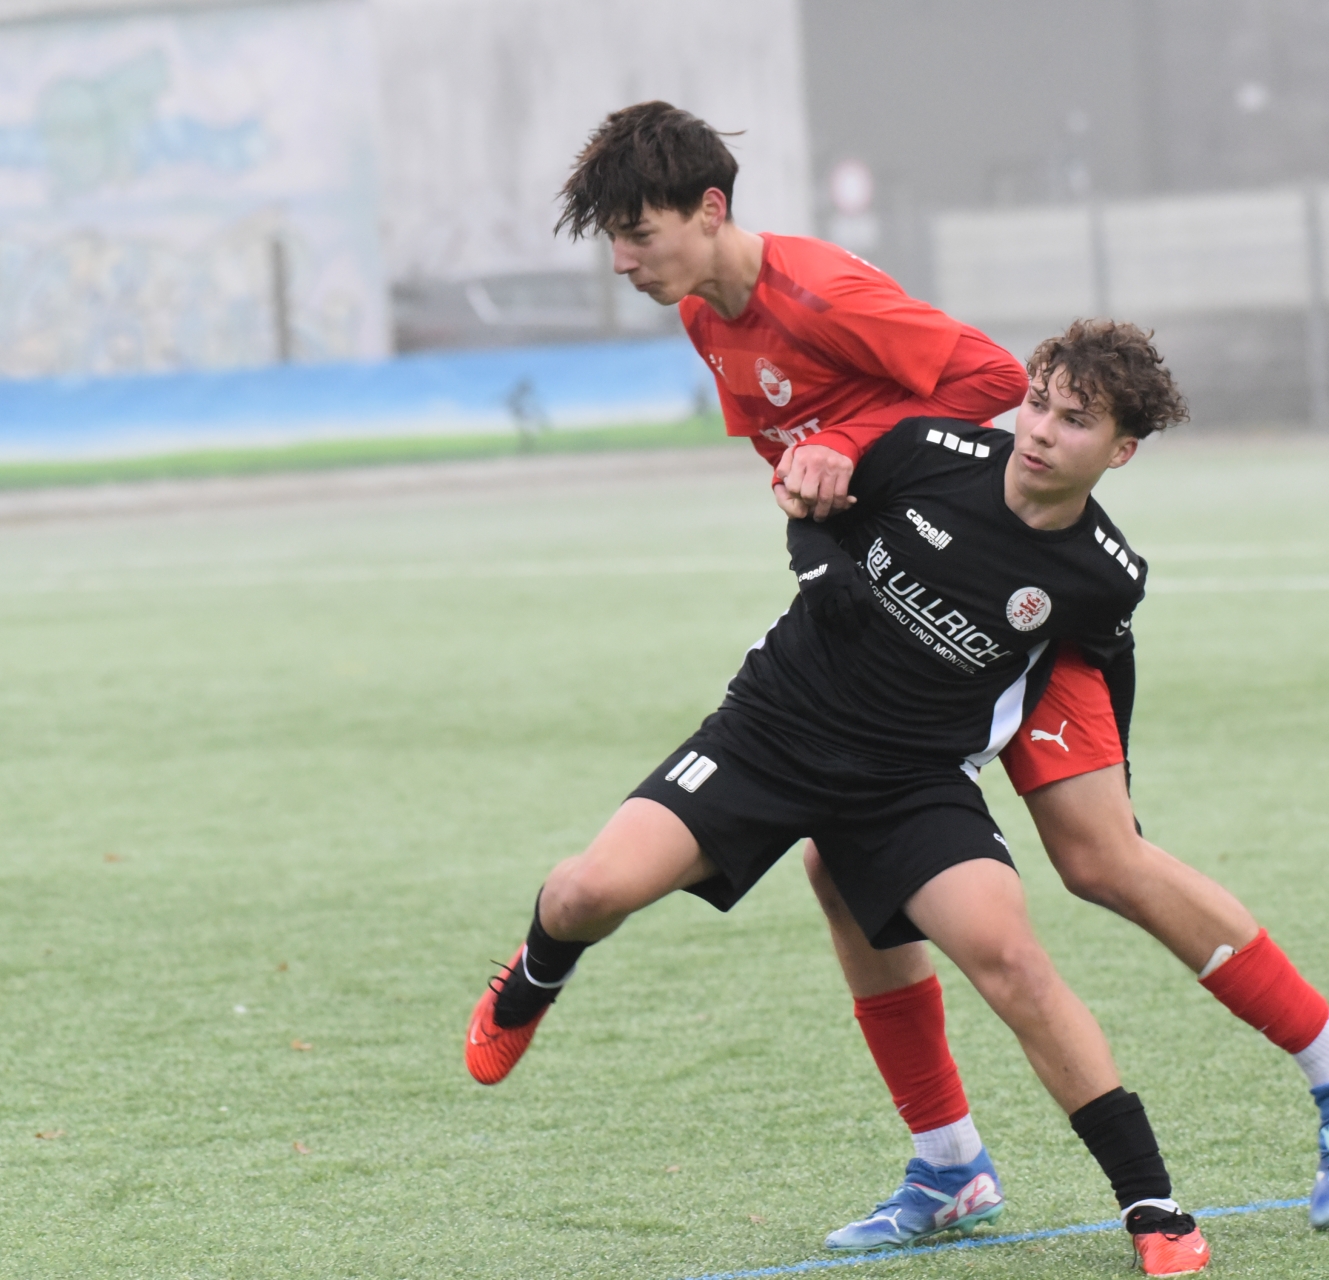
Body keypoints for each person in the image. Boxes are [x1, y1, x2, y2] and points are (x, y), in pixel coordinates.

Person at [497, 100, 1329, 1245]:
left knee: (1100, 857)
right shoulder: (704, 315)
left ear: (711, 209)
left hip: (1013, 589)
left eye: (637, 232)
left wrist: (857, 449)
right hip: (919, 593)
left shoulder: (820, 291)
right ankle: (949, 1164)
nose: (623, 259)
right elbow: (806, 454)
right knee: (844, 864)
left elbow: (987, 383)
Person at [464, 321, 1214, 1276]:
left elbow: (1104, 674)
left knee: (1014, 962)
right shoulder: (930, 450)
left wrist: (1117, 798)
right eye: (1037, 403)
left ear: (1121, 451)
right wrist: (822, 569)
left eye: (1074, 421)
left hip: (911, 782)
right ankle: (535, 975)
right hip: (770, 734)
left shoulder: (1105, 575)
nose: (1039, 431)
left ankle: (1153, 1205)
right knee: (585, 894)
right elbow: (807, 498)